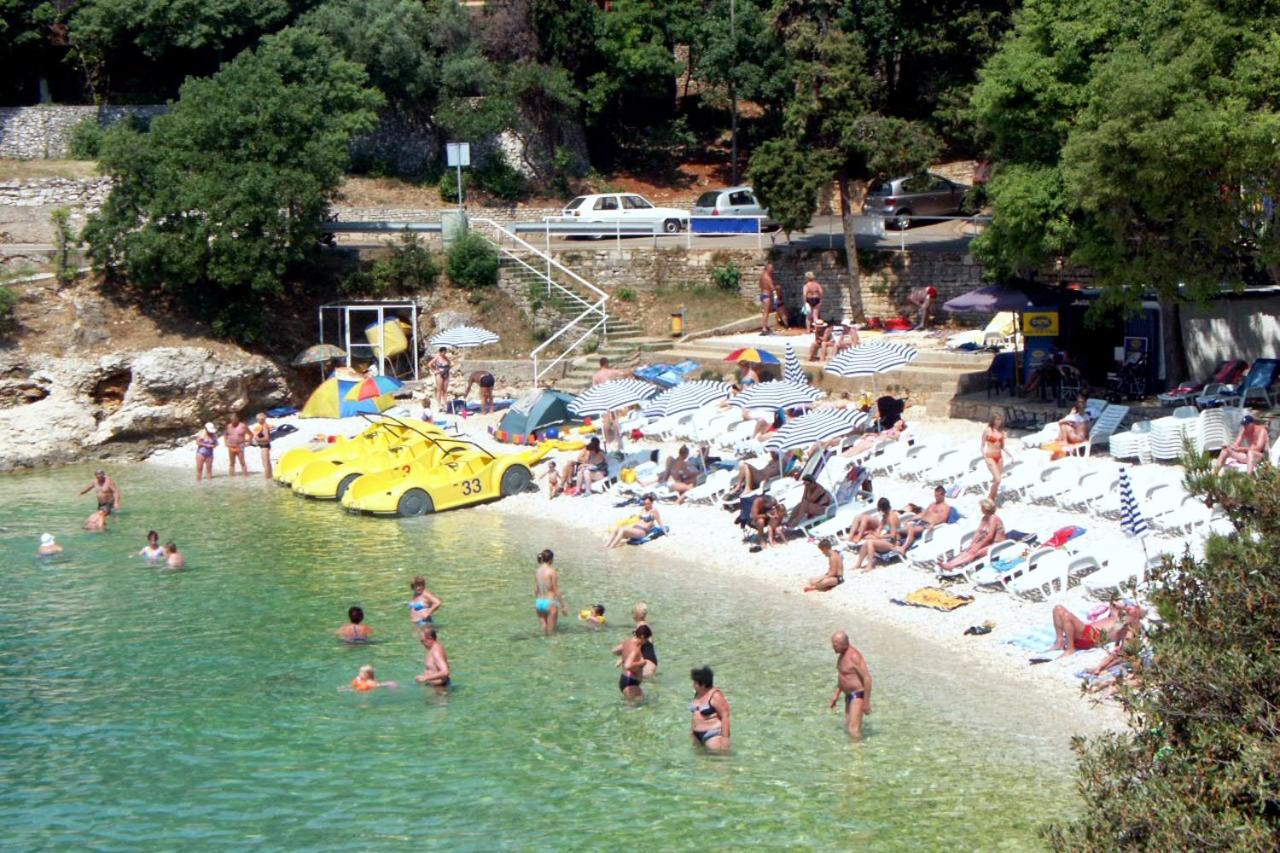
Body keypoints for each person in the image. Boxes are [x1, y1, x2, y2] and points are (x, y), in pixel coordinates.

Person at [1049, 601, 1145, 659]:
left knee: (1066, 616)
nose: (1131, 607)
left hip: (1092, 637)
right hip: (1084, 631)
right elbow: (1113, 605)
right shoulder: (1115, 617)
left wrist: (1127, 610)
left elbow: (1117, 631)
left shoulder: (1125, 623)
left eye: (1134, 608)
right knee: (1057, 609)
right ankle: (1059, 642)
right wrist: (1120, 605)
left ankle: (1070, 649)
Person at [938, 499, 1005, 571]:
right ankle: (950, 564)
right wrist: (972, 544)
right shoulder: (985, 518)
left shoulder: (993, 518)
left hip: (997, 544)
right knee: (969, 549)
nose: (981, 509)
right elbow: (978, 532)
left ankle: (953, 565)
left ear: (985, 508)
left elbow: (990, 536)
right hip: (989, 542)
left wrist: (978, 546)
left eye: (981, 507)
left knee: (975, 552)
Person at [830, 631, 873, 740]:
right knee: (848, 727)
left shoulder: (854, 656)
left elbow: (867, 679)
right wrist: (836, 695)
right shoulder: (842, 655)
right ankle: (854, 748)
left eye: (835, 645)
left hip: (857, 695)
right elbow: (843, 676)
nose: (833, 647)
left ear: (844, 644)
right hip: (848, 696)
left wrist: (866, 703)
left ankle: (859, 750)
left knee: (853, 730)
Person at [848, 498, 901, 571]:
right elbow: (880, 527)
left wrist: (879, 536)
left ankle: (870, 566)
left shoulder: (891, 518)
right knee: (868, 539)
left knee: (870, 542)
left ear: (881, 508)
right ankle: (858, 564)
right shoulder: (886, 516)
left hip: (893, 543)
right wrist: (872, 533)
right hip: (886, 540)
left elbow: (893, 535)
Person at [897, 485, 952, 553]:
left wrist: (933, 524)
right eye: (935, 495)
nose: (936, 498)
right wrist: (910, 519)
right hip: (919, 522)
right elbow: (923, 514)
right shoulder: (932, 504)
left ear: (943, 495)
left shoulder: (945, 507)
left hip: (927, 525)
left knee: (909, 529)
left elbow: (943, 519)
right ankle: (896, 544)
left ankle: (904, 548)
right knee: (900, 529)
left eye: (938, 496)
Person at [689, 666, 731, 751]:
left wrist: (725, 739)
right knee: (701, 759)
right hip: (697, 735)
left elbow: (725, 716)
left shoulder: (715, 695)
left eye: (695, 683)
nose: (693, 685)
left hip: (712, 734)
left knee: (718, 758)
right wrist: (692, 731)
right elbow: (695, 714)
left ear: (703, 684)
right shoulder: (698, 694)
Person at [615, 603, 657, 677]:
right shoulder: (646, 625)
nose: (632, 614)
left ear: (637, 614)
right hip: (650, 658)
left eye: (633, 612)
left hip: (646, 660)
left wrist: (622, 658)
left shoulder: (640, 626)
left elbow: (636, 645)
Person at [981, 412, 1011, 502]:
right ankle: (989, 497)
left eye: (1000, 420)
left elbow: (1002, 446)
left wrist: (1010, 455)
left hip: (999, 457)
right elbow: (982, 446)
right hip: (990, 456)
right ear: (993, 420)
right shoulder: (987, 430)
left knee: (996, 480)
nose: (998, 422)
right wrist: (985, 458)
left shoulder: (1002, 432)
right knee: (998, 479)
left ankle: (993, 499)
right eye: (997, 419)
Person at [533, 549, 564, 634]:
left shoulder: (538, 571)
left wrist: (538, 601)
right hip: (550, 602)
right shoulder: (552, 571)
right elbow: (556, 589)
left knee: (543, 630)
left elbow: (536, 590)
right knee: (551, 632)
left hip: (539, 603)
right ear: (551, 559)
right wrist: (563, 605)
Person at [617, 625, 651, 701]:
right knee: (639, 706)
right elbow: (628, 665)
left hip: (625, 679)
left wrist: (623, 658)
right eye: (646, 639)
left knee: (636, 705)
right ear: (642, 637)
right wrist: (642, 662)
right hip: (631, 682)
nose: (646, 642)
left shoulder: (626, 642)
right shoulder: (635, 649)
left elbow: (615, 651)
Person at [415, 626, 451, 691]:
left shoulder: (436, 651)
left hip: (440, 690)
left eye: (423, 641)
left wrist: (425, 678)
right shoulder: (432, 649)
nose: (422, 644)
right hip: (435, 688)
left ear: (430, 638)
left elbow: (445, 671)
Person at [250, 413, 273, 480]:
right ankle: (270, 477)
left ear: (262, 419)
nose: (257, 420)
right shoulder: (262, 426)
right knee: (267, 463)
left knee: (265, 463)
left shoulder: (265, 426)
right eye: (257, 419)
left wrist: (257, 439)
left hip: (265, 446)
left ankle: (267, 479)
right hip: (264, 446)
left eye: (258, 419)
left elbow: (267, 438)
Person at [428, 347, 452, 411]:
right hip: (439, 374)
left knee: (445, 390)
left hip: (446, 374)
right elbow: (429, 364)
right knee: (439, 390)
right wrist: (434, 370)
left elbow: (450, 364)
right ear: (440, 352)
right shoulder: (437, 358)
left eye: (445, 352)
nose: (444, 353)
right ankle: (439, 404)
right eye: (443, 352)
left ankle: (445, 403)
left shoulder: (446, 358)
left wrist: (447, 368)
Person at [758, 262, 779, 334]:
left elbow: (760, 285)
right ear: (768, 268)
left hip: (763, 294)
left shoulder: (762, 276)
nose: (772, 270)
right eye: (771, 268)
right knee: (766, 312)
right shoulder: (768, 278)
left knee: (765, 312)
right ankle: (764, 328)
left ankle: (765, 326)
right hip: (767, 296)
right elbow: (772, 288)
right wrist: (777, 287)